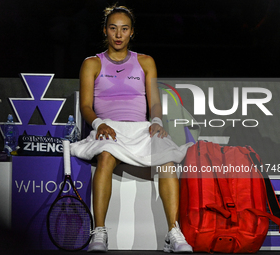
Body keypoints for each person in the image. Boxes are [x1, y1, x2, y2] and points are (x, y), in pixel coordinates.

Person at [70, 4, 193, 253]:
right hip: (107, 129)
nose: (118, 34)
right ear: (105, 31)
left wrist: (157, 122)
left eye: (124, 29)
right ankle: (100, 232)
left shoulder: (146, 62)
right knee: (106, 156)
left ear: (131, 32)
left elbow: (155, 102)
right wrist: (98, 124)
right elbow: (85, 105)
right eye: (113, 28)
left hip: (141, 129)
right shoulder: (91, 64)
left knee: (168, 160)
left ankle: (173, 232)